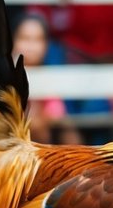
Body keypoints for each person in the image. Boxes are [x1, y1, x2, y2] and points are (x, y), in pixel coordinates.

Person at [10, 12, 81, 145]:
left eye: (38, 39)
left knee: (66, 128)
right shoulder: (5, 74)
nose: (31, 46)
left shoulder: (48, 77)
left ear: (46, 45)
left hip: (43, 148)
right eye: (25, 38)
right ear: (12, 41)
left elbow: (57, 116)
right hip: (9, 149)